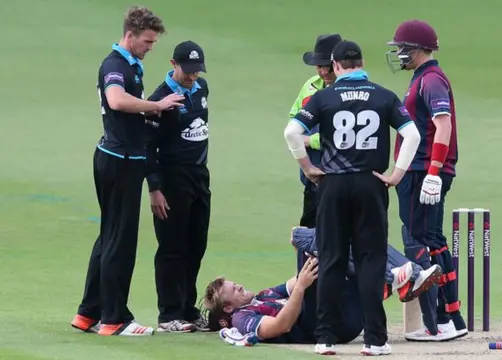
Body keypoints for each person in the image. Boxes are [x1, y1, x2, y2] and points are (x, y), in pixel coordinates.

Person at [283, 40, 422, 356]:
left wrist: (308, 166)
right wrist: (396, 175)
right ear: (361, 63)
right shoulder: (383, 95)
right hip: (370, 184)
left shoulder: (323, 96)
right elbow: (412, 134)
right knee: (370, 260)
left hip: (332, 186)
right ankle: (375, 340)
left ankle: (325, 338)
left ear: (334, 66)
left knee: (330, 258)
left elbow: (292, 131)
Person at [71, 6, 185, 337]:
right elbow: (117, 100)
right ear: (130, 35)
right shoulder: (115, 65)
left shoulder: (130, 64)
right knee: (121, 241)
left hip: (119, 158)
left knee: (109, 236)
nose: (151, 47)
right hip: (120, 160)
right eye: (147, 41)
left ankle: (88, 312)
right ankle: (114, 318)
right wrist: (157, 106)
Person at [201, 230, 442, 352]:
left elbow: (295, 282)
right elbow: (279, 327)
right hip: (323, 326)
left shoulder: (263, 296)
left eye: (236, 283)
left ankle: (413, 276)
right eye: (235, 289)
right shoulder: (242, 318)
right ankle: (390, 279)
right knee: (305, 238)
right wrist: (304, 283)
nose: (240, 286)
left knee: (348, 236)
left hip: (345, 315)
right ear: (229, 307)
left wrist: (311, 266)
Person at [384, 19, 467, 341]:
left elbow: (442, 126)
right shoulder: (422, 78)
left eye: (402, 49)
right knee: (432, 239)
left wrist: (433, 172)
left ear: (417, 49)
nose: (399, 54)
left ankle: (444, 321)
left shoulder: (431, 80)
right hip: (419, 171)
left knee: (425, 240)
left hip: (424, 172)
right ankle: (451, 318)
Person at [144, 40, 211, 333]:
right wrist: (154, 188)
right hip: (171, 181)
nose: (192, 76)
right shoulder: (160, 99)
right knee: (173, 247)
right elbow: (148, 147)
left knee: (196, 245)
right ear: (173, 64)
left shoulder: (201, 88)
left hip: (199, 177)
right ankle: (169, 313)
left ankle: (187, 308)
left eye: (197, 71)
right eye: (187, 70)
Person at [289, 33, 342, 227]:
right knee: (309, 232)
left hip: (337, 175)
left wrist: (309, 140)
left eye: (326, 66)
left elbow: (343, 133)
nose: (322, 72)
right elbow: (294, 116)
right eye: (318, 66)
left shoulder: (348, 90)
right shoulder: (310, 86)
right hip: (312, 175)